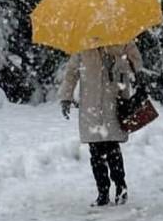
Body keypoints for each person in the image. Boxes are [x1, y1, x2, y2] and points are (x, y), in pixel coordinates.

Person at [58, 41, 142, 207]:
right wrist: (66, 97)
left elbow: (136, 63)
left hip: (114, 102)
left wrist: (119, 63)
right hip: (91, 107)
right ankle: (102, 192)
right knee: (96, 152)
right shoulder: (82, 46)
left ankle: (120, 186)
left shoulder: (121, 40)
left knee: (112, 149)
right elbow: (71, 73)